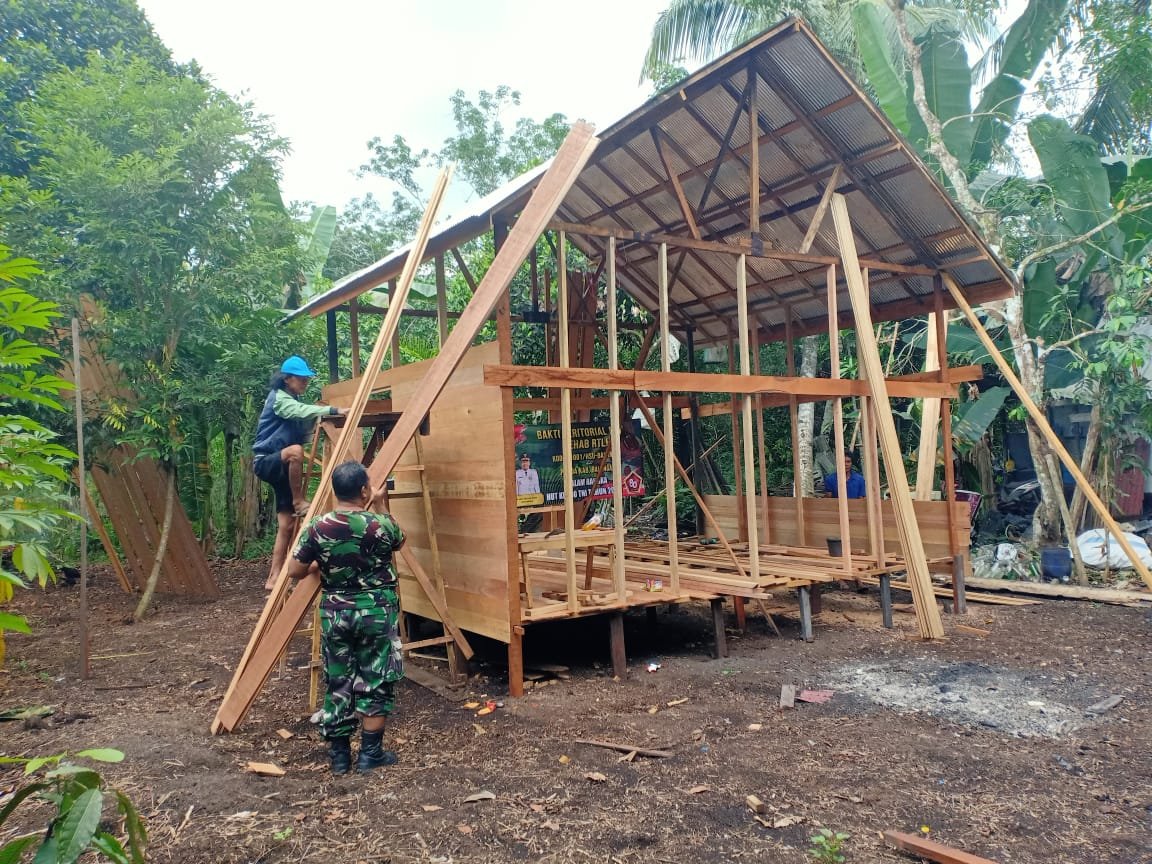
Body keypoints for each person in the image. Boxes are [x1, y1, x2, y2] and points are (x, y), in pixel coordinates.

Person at [286, 460, 406, 775]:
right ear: (364, 490)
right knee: (376, 679)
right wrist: (380, 504)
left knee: (339, 680)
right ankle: (370, 755)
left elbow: (295, 570)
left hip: (336, 613)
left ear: (336, 490)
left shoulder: (318, 526)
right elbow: (399, 541)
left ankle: (340, 759)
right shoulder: (380, 524)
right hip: (376, 613)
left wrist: (321, 564)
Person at [252, 356, 346, 590]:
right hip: (266, 461)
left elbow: (302, 419)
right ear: (287, 379)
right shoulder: (279, 398)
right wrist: (332, 409)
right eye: (301, 379)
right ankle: (298, 500)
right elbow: (299, 411)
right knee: (295, 451)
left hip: (281, 466)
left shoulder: (290, 398)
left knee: (286, 524)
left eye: (306, 379)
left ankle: (274, 577)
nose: (305, 382)